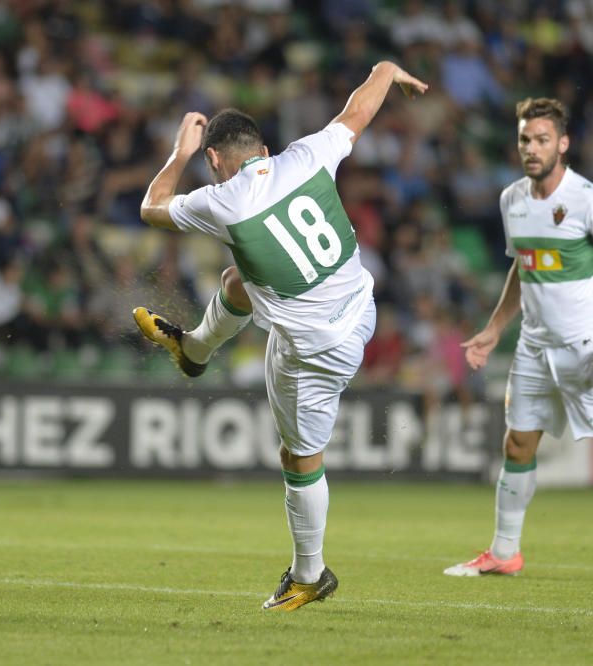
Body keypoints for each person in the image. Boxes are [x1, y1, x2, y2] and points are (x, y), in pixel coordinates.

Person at [134, 62, 428, 611]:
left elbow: (150, 208)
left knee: (299, 458)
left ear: (216, 161)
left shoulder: (221, 200)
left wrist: (178, 152)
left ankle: (309, 574)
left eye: (209, 162)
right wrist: (386, 70)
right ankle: (195, 349)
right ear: (264, 148)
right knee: (238, 282)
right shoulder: (308, 153)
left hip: (313, 351)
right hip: (362, 309)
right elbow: (358, 110)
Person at [444, 98, 593, 577]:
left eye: (542, 139)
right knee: (517, 445)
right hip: (534, 345)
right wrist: (492, 330)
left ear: (563, 144)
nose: (532, 148)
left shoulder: (585, 200)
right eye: (526, 139)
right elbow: (522, 267)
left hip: (585, 344)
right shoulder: (512, 200)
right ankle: (505, 553)